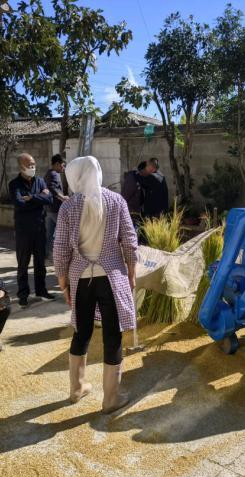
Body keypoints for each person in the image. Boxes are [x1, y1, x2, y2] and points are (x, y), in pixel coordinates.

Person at [54, 156, 138, 414]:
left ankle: (76, 389)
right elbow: (129, 240)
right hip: (112, 277)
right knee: (112, 335)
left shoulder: (68, 207)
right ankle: (110, 399)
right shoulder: (116, 201)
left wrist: (63, 282)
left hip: (81, 278)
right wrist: (132, 273)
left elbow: (59, 249)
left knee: (82, 330)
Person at [9, 153, 54, 307]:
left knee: (40, 262)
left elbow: (49, 199)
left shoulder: (40, 181)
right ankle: (23, 294)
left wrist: (31, 198)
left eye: (33, 164)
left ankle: (41, 290)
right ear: (21, 166)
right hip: (23, 231)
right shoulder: (14, 184)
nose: (32, 167)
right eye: (29, 165)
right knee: (23, 264)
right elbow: (19, 203)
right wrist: (39, 197)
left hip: (40, 228)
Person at [44, 154, 68, 260]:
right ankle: (60, 256)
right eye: (63, 165)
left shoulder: (50, 173)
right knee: (62, 233)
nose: (64, 168)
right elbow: (51, 188)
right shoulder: (53, 174)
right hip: (55, 209)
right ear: (57, 164)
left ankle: (45, 255)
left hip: (50, 209)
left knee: (50, 234)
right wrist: (62, 197)